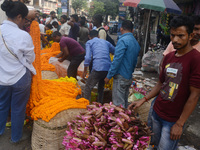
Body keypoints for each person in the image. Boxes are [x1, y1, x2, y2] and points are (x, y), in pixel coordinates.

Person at [129, 15, 200, 150]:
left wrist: (180, 124)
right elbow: (160, 84)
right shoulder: (168, 57)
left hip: (173, 119)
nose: (175, 40)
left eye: (180, 36)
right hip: (156, 111)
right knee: (153, 143)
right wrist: (143, 100)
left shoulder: (196, 59)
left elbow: (194, 95)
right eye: (173, 35)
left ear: (190, 36)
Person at [0, 0, 36, 143]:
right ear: (19, 17)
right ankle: (15, 138)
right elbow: (30, 58)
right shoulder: (23, 36)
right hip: (20, 78)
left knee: (1, 106)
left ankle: (0, 130)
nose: (26, 23)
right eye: (26, 19)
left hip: (1, 78)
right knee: (18, 109)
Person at [104, 20, 140, 108]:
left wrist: (109, 76)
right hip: (128, 76)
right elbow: (135, 61)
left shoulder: (123, 40)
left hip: (121, 75)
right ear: (132, 30)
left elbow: (117, 60)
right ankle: (125, 119)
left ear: (121, 29)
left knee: (118, 106)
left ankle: (121, 120)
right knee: (124, 102)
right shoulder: (135, 42)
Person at [83, 30, 115, 104]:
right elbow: (115, 51)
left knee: (88, 87)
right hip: (107, 68)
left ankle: (86, 105)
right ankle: (100, 103)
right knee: (101, 87)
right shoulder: (106, 42)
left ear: (89, 36)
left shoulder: (89, 42)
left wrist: (85, 71)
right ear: (98, 35)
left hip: (98, 67)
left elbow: (87, 58)